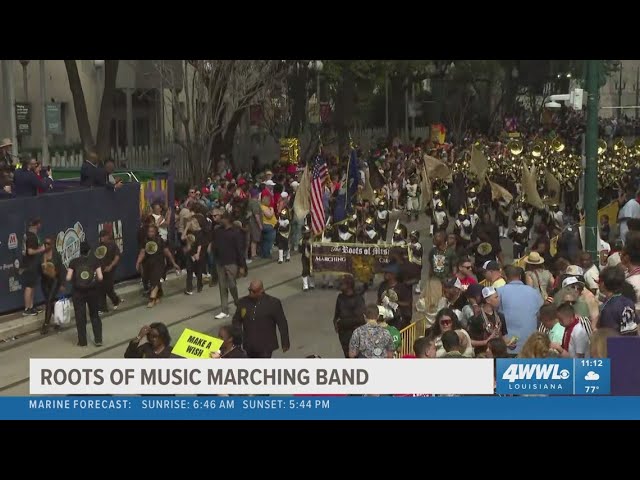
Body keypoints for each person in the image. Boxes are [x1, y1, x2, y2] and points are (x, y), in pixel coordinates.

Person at [232, 279, 290, 358]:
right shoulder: (243, 302)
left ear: (261, 290)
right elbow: (236, 320)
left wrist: (285, 342)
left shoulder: (273, 303)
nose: (251, 293)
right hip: (249, 344)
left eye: (254, 291)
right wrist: (237, 335)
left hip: (266, 345)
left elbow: (282, 323)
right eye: (250, 290)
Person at [498, 265, 543, 355]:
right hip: (531, 345)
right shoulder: (534, 292)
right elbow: (540, 314)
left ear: (505, 277)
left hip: (509, 346)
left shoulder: (499, 292)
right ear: (519, 276)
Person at [66, 241, 103, 347]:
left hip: (78, 292)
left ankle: (82, 341)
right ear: (89, 251)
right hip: (93, 292)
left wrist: (75, 279)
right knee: (94, 315)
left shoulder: (73, 262)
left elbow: (68, 277)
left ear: (79, 251)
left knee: (80, 316)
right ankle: (98, 339)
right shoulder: (95, 261)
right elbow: (100, 277)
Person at [136, 224, 181, 308]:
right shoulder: (145, 241)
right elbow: (142, 252)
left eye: (152, 231)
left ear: (156, 232)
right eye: (149, 231)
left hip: (159, 264)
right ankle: (159, 294)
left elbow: (167, 252)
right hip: (148, 264)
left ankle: (152, 299)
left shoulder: (160, 241)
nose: (150, 233)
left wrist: (173, 263)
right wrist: (138, 262)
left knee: (155, 280)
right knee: (152, 280)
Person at [211, 212, 246, 319]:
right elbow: (214, 244)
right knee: (222, 286)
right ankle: (224, 310)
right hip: (220, 262)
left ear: (227, 220)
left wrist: (242, 266)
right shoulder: (218, 231)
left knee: (232, 285)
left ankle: (237, 303)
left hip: (232, 262)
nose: (220, 220)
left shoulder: (236, 232)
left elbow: (240, 250)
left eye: (222, 218)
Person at [468, 286, 509, 356]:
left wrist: (508, 344)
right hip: (482, 355)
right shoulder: (476, 318)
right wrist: (486, 341)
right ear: (488, 300)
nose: (499, 299)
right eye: (496, 297)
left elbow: (503, 336)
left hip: (499, 355)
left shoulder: (500, 316)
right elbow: (470, 341)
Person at [598, 266, 639, 336]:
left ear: (603, 284)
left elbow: (609, 335)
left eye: (599, 281)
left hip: (617, 345)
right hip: (633, 344)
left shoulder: (608, 308)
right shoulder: (629, 302)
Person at [38, 235, 66, 334]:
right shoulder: (41, 256)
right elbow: (39, 270)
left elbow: (61, 269)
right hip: (45, 283)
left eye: (48, 243)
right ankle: (58, 321)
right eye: (45, 243)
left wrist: (62, 283)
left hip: (55, 281)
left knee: (49, 301)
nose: (46, 245)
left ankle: (45, 324)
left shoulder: (57, 255)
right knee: (50, 301)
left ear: (52, 245)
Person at [333, 275, 366, 358]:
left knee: (355, 356)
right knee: (347, 355)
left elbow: (360, 319)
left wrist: (343, 323)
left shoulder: (358, 299)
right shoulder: (340, 297)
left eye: (342, 284)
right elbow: (337, 313)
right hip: (343, 333)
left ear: (349, 285)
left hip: (354, 332)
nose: (340, 285)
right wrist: (335, 322)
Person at [21, 218, 45, 316]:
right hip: (30, 264)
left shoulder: (28, 234)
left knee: (32, 286)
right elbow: (30, 251)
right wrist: (41, 249)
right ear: (37, 225)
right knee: (29, 287)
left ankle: (31, 306)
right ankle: (27, 309)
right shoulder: (31, 236)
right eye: (39, 224)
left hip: (31, 264)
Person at [377, 263, 412, 330]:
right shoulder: (382, 285)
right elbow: (378, 300)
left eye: (387, 272)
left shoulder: (402, 287)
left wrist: (393, 302)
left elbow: (407, 303)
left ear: (394, 274)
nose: (385, 274)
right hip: (384, 317)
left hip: (399, 320)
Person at [95, 229, 122, 313]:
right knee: (100, 288)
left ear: (107, 236)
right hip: (101, 270)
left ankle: (116, 300)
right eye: (101, 237)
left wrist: (111, 266)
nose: (102, 238)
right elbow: (96, 258)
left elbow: (117, 257)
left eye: (103, 236)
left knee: (108, 288)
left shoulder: (112, 245)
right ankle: (102, 308)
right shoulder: (99, 246)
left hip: (110, 270)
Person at [259, 194, 277, 258]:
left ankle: (264, 253)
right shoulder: (264, 207)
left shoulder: (262, 207)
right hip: (268, 226)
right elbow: (269, 215)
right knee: (269, 240)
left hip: (267, 225)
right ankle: (267, 254)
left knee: (265, 240)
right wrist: (272, 209)